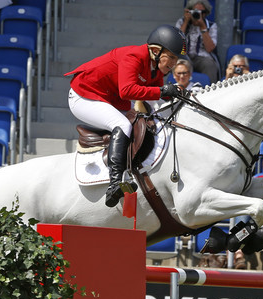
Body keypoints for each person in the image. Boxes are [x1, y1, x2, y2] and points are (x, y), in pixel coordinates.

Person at [66, 25, 187, 208]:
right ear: (155, 51)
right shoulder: (134, 57)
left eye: (176, 58)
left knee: (144, 122)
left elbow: (155, 99)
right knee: (122, 125)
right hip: (83, 95)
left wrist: (174, 96)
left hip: (110, 99)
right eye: (170, 57)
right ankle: (114, 183)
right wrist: (162, 91)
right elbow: (127, 90)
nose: (173, 63)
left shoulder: (156, 69)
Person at [176, 0, 219, 83]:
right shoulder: (181, 22)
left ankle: (211, 91)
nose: (198, 14)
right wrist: (186, 22)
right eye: (194, 11)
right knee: (176, 62)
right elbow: (177, 42)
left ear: (206, 13)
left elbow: (210, 48)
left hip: (202, 57)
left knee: (210, 65)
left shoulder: (211, 25)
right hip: (184, 55)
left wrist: (203, 27)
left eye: (201, 12)